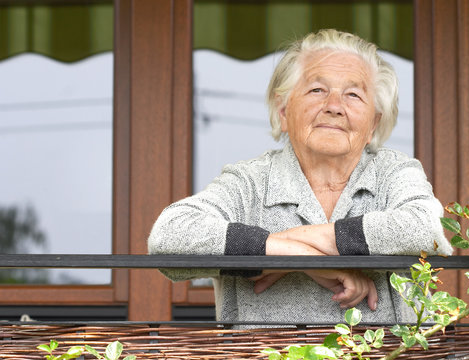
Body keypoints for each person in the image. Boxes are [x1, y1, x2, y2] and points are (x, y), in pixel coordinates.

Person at [148, 29, 453, 324]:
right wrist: (297, 256)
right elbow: (168, 236)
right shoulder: (250, 181)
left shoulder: (393, 171)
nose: (334, 106)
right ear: (283, 111)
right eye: (317, 90)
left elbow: (426, 228)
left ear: (373, 124)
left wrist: (294, 244)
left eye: (353, 95)